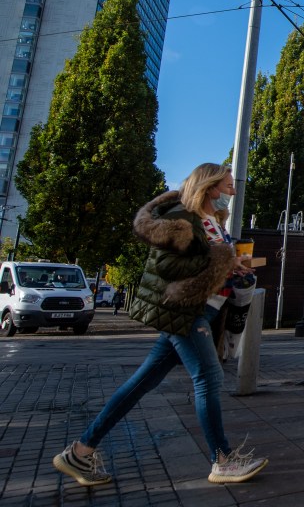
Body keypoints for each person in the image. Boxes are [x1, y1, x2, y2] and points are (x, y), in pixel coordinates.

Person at [53, 163, 268, 487]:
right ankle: (222, 461)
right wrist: (221, 259)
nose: (233, 192)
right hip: (184, 310)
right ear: (210, 187)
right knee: (208, 377)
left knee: (141, 382)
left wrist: (233, 267)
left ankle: (80, 452)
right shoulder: (182, 219)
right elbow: (169, 265)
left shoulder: (213, 221)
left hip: (205, 308)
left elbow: (207, 263)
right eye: (227, 186)